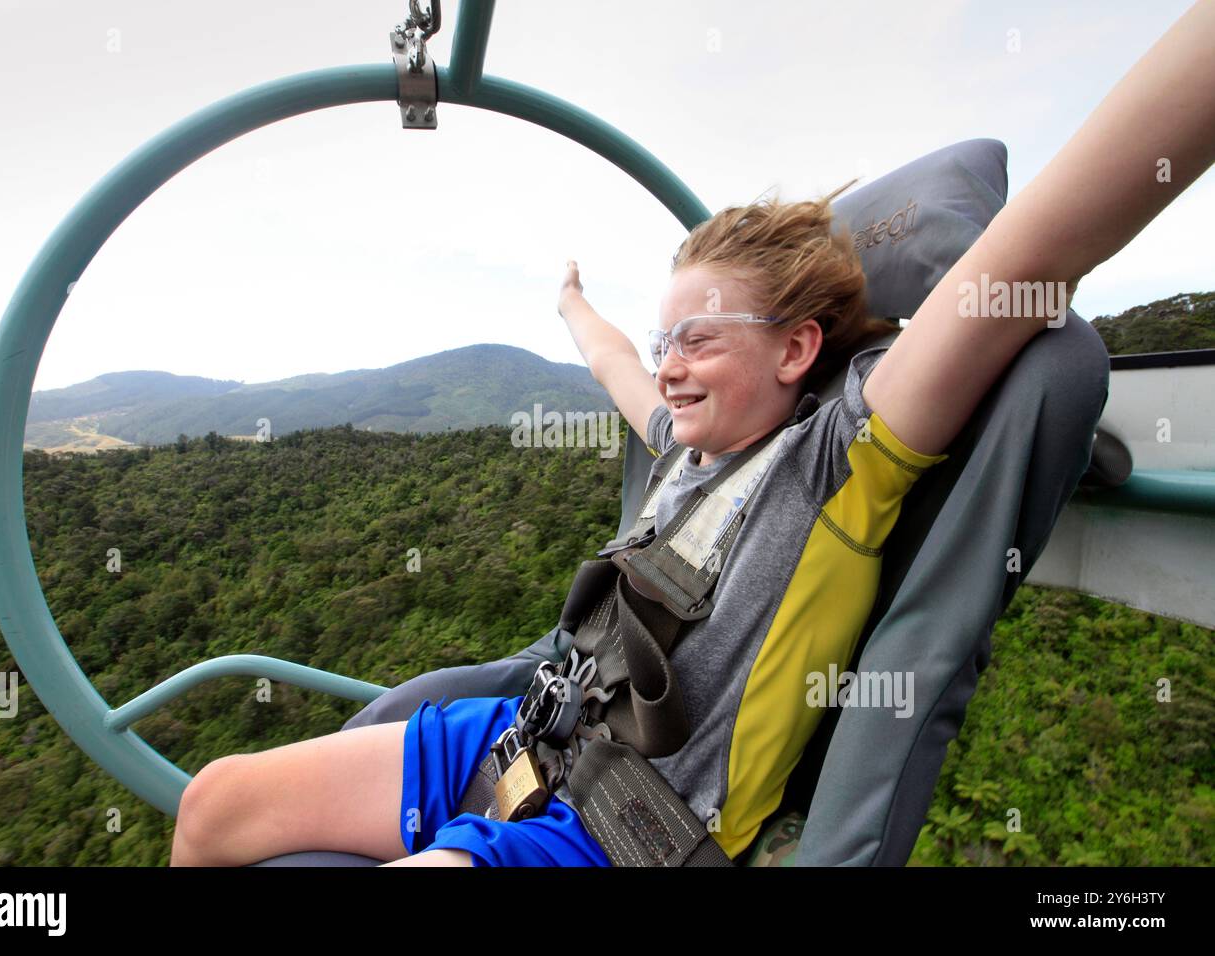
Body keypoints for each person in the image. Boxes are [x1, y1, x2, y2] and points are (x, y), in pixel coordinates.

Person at [169, 0, 1215, 867]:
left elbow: (1042, 239)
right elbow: (619, 364)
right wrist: (576, 306)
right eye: (668, 334)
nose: (669, 361)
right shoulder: (688, 447)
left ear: (797, 348)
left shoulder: (844, 453)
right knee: (215, 801)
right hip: (525, 735)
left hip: (624, 824)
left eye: (699, 338)